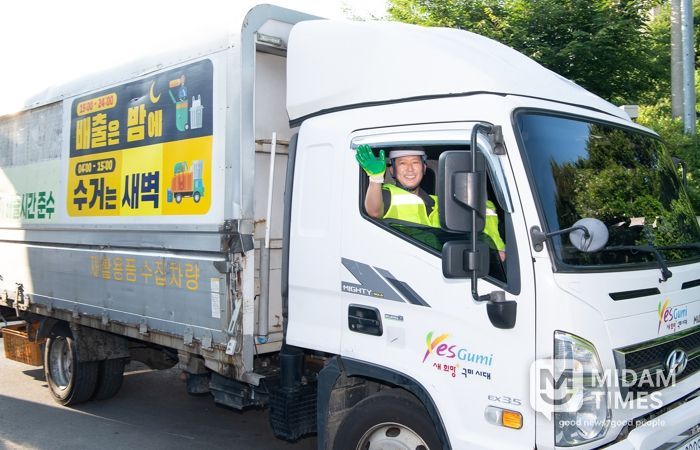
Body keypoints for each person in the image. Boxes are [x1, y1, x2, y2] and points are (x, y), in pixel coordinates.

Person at [355, 144, 506, 261]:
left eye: (415, 162)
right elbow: (374, 211)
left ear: (424, 168)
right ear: (393, 171)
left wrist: (495, 251)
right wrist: (376, 179)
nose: (410, 169)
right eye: (402, 163)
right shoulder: (388, 195)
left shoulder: (439, 202)